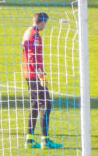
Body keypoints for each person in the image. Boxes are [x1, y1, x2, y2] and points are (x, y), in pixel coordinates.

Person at [22, 12, 63, 149]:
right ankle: (45, 140)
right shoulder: (35, 35)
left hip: (28, 73)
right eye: (45, 22)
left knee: (35, 105)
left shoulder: (28, 31)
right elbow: (33, 56)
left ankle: (30, 139)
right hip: (34, 75)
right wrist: (41, 75)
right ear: (41, 22)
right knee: (46, 104)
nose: (45, 25)